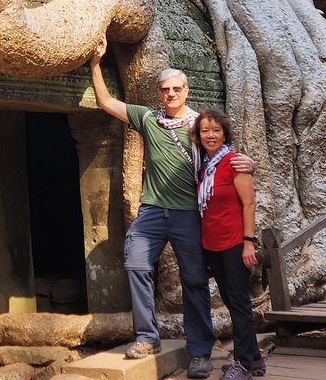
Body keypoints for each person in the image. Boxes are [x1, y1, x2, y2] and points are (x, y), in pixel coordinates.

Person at [89, 37, 251, 379]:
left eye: (177, 89)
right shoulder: (148, 118)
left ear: (186, 91)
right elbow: (105, 101)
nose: (171, 94)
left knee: (194, 280)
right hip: (151, 210)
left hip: (189, 214)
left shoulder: (197, 125)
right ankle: (148, 337)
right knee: (135, 263)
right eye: (165, 89)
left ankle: (200, 352)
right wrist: (95, 63)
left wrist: (245, 162)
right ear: (158, 93)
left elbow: (221, 151)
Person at [193, 109, 266, 379]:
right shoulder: (204, 166)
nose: (210, 135)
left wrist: (248, 242)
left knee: (239, 303)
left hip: (235, 243)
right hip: (212, 245)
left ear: (225, 134)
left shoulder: (235, 163)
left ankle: (243, 364)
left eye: (216, 131)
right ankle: (256, 358)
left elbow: (249, 203)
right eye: (205, 131)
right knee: (231, 301)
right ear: (198, 136)